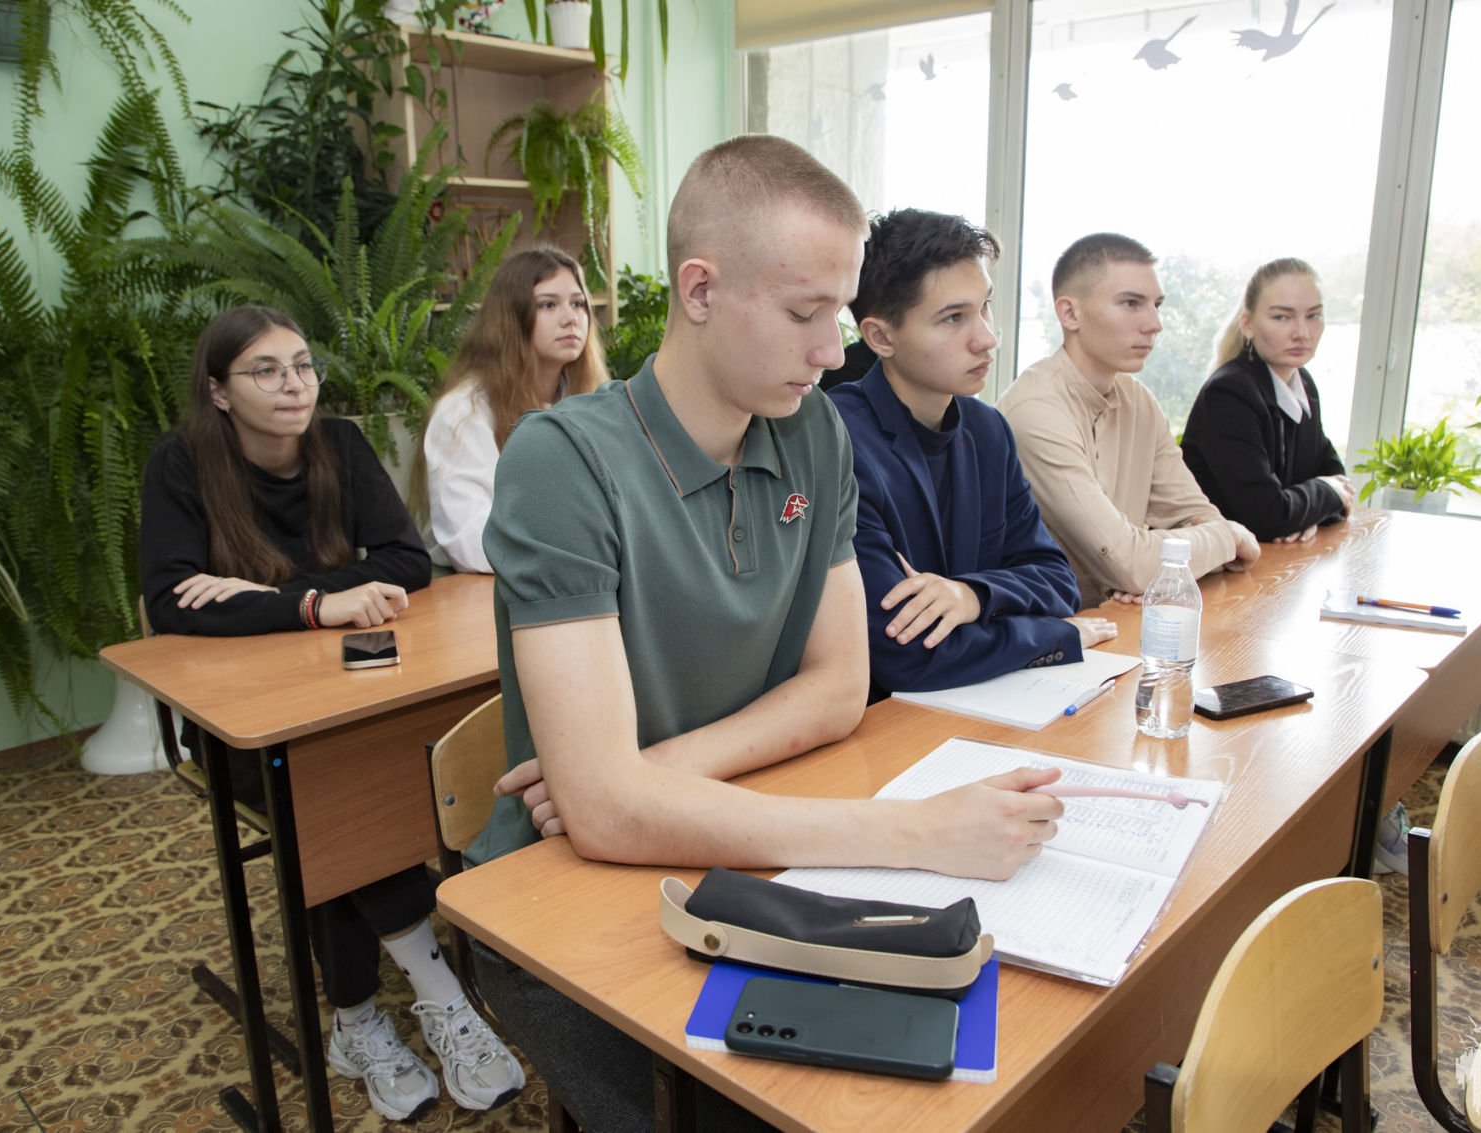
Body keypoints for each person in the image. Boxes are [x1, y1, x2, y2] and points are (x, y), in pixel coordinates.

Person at [465, 136, 1067, 1133]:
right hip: (557, 890)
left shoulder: (812, 431)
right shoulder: (561, 458)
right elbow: (603, 822)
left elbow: (837, 687)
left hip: (741, 838)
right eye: (803, 314)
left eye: (839, 312)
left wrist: (638, 776)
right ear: (700, 290)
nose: (832, 351)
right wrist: (914, 833)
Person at [139, 306, 524, 1122]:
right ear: (218, 391)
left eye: (303, 365)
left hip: (348, 695)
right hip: (238, 722)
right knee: (333, 798)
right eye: (266, 370)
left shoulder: (339, 446)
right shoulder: (181, 463)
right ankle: (439, 994)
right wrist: (317, 603)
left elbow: (405, 561)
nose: (294, 385)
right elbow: (172, 602)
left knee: (348, 785)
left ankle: (353, 1020)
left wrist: (260, 596)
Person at [827, 207, 1117, 700]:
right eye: (953, 318)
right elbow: (906, 655)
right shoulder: (838, 441)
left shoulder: (988, 430)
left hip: (987, 701)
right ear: (881, 337)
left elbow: (1057, 581)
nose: (986, 337)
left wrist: (972, 595)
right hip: (885, 722)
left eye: (985, 307)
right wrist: (1054, 636)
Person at [997, 233, 1261, 605]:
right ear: (1070, 313)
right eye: (1131, 303)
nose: (1155, 323)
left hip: (1123, 622)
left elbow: (1197, 518)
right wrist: (1227, 538)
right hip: (1054, 631)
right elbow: (1130, 565)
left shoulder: (1139, 400)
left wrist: (1158, 564)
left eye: (1157, 304)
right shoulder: (1035, 410)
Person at [417, 248, 608, 572]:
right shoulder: (463, 412)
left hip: (573, 575)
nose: (571, 318)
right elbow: (471, 539)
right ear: (510, 317)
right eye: (548, 305)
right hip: (480, 586)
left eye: (578, 303)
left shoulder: (593, 403)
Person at [1180, 257, 1354, 543]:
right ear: (1247, 324)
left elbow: (1337, 480)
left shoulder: (1303, 383)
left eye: (1313, 315)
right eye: (1282, 317)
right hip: (1218, 560)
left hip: (1273, 557)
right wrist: (1314, 503)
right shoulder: (1229, 393)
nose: (1302, 333)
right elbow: (1267, 516)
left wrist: (1307, 513)